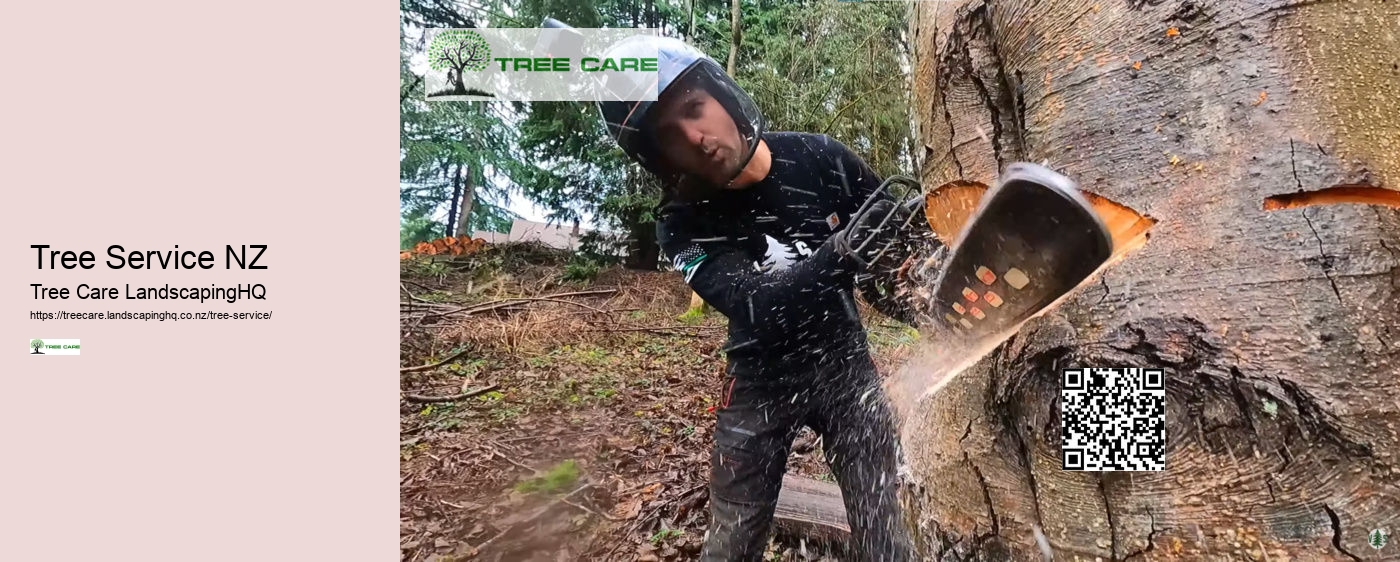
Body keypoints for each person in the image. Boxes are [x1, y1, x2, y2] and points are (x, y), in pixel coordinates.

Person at [597, 34, 929, 562]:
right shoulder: (681, 223)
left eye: (694, 109)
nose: (696, 136)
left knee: (887, 533)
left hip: (846, 368)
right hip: (758, 382)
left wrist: (939, 304)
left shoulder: (820, 159)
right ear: (659, 155)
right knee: (731, 542)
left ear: (723, 95)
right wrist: (840, 252)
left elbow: (899, 271)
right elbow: (758, 304)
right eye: (672, 135)